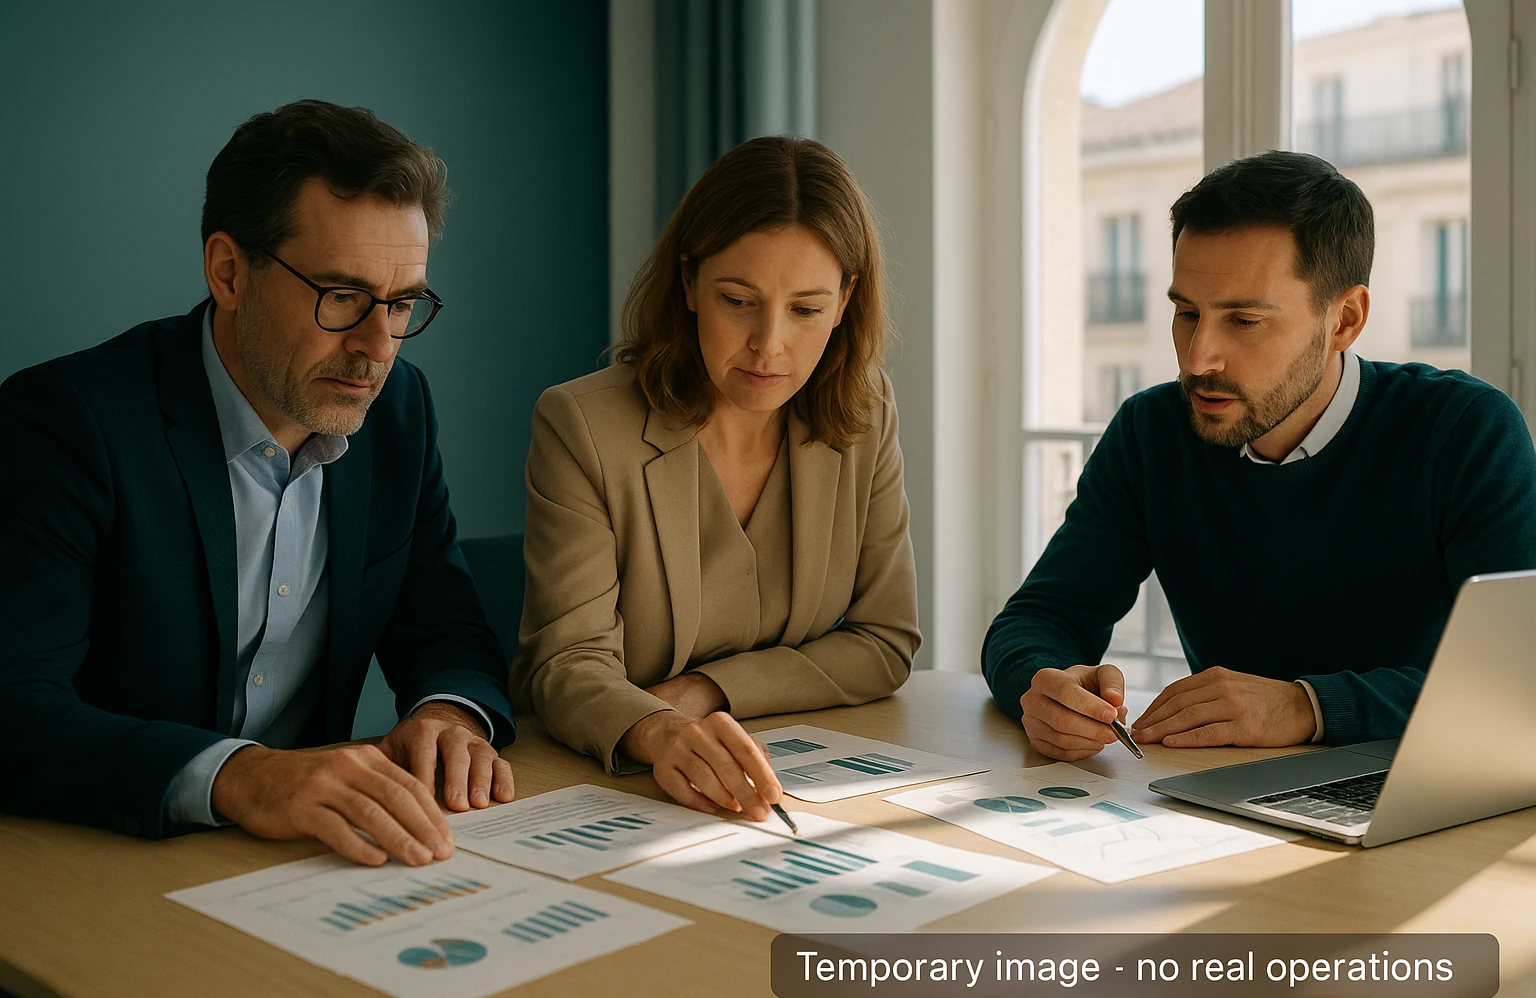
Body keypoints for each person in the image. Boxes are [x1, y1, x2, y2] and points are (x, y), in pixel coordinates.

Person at [0, 100, 516, 867]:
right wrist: (244, 776)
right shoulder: (67, 423)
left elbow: (445, 624)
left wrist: (450, 714)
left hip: (312, 862)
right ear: (230, 271)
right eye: (342, 296)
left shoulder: (399, 411)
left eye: (403, 302)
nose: (379, 347)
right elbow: (15, 709)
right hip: (107, 860)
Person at [983, 150, 1536, 762]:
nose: (1198, 359)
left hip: (1428, 789)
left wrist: (1308, 706)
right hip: (1222, 795)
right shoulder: (1151, 432)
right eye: (1186, 313)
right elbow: (1038, 619)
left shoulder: (1465, 431)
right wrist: (1043, 685)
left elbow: (1519, 680)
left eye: (1244, 320)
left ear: (1345, 320)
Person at [513, 136, 920, 822]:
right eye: (739, 300)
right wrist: (659, 728)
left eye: (806, 309)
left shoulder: (865, 409)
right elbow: (566, 667)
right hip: (606, 789)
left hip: (786, 781)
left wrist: (709, 689)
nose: (770, 344)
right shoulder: (580, 424)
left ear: (847, 300)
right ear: (690, 283)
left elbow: (885, 643)